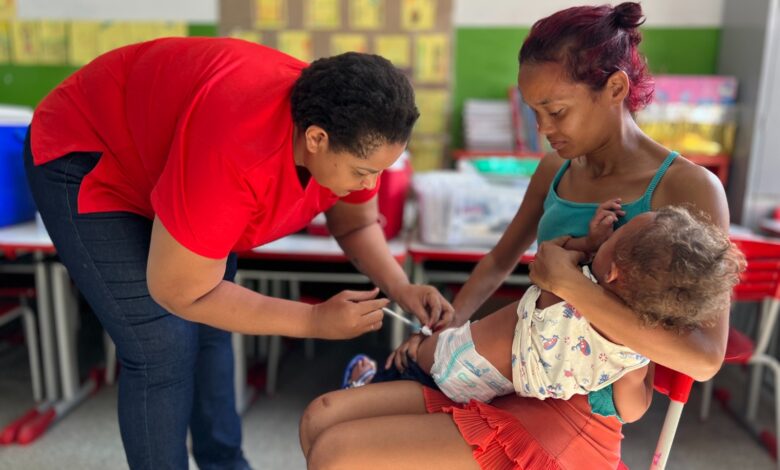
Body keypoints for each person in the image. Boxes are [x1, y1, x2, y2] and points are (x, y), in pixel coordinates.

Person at [298, 3, 734, 469]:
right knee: (320, 417)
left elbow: (705, 359)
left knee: (338, 455)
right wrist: (443, 329)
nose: (543, 129)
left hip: (576, 409)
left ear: (615, 88)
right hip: (511, 370)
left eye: (556, 111)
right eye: (533, 112)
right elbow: (499, 261)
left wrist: (570, 285)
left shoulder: (689, 187)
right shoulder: (557, 167)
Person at [24, 37, 453, 470]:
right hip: (89, 151)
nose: (370, 185)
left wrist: (401, 287)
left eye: (381, 171)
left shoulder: (353, 130)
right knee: (162, 348)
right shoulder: (237, 151)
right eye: (364, 172)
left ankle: (225, 463)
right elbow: (181, 292)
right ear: (316, 138)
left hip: (172, 160)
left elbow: (356, 224)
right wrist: (313, 320)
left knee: (213, 328)